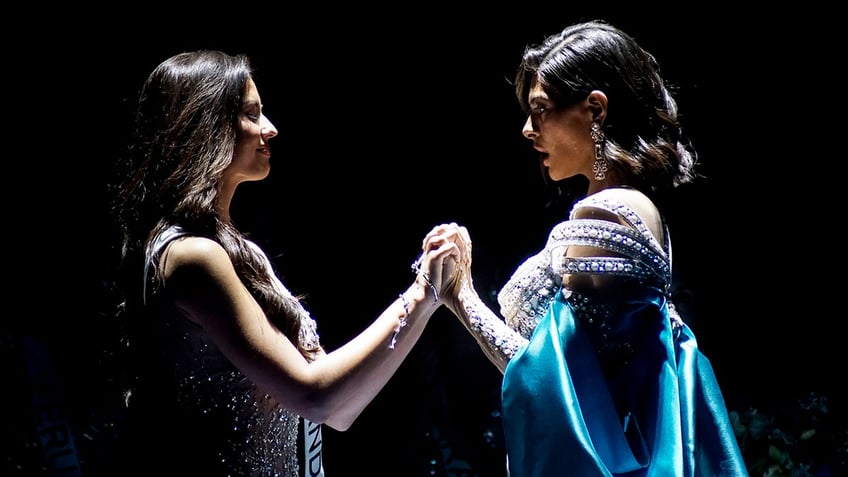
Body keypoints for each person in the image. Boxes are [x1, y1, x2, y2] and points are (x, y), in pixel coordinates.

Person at [105, 49, 463, 476]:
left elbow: (338, 410)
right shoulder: (191, 258)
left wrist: (428, 301)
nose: (270, 128)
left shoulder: (239, 252)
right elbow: (316, 397)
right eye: (251, 114)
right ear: (204, 127)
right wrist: (420, 295)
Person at [439, 20, 749, 476]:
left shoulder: (608, 212)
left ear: (595, 110)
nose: (528, 129)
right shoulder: (630, 207)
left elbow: (555, 382)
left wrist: (459, 295)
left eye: (541, 109)